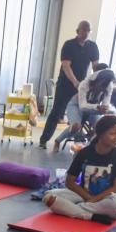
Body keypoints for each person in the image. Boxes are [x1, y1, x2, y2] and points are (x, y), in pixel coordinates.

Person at [44, 115, 116, 224]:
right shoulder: (85, 152)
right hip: (82, 195)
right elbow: (69, 181)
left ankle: (72, 209)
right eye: (113, 133)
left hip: (107, 199)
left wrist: (93, 200)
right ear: (100, 134)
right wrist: (88, 197)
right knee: (48, 196)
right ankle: (89, 215)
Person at [39, 21, 100, 149]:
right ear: (78, 31)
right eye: (83, 30)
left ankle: (80, 140)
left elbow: (96, 66)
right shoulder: (69, 45)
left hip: (81, 86)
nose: (86, 33)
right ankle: (44, 140)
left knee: (81, 112)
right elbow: (66, 65)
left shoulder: (92, 47)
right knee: (57, 112)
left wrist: (97, 80)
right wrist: (75, 82)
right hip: (65, 84)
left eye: (88, 31)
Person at [52, 67, 115, 151]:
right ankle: (58, 141)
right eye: (103, 83)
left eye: (106, 84)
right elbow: (82, 106)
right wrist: (97, 107)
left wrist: (105, 109)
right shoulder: (84, 84)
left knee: (101, 126)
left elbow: (106, 103)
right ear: (97, 79)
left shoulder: (109, 85)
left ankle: (90, 147)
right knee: (76, 126)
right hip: (76, 105)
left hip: (93, 108)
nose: (104, 86)